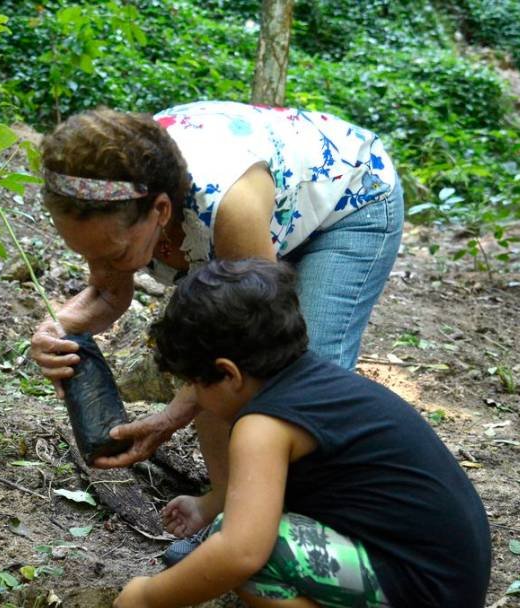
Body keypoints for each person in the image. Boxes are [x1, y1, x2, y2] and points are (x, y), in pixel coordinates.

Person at [111, 258, 491, 608]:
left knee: (242, 547)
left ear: (228, 374)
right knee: (255, 526)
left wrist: (150, 598)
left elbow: (241, 552)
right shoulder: (313, 383)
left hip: (425, 596)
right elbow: (304, 492)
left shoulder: (263, 426)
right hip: (445, 579)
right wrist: (211, 503)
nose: (195, 398)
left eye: (196, 385)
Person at [31, 101, 404, 472]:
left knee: (302, 383)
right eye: (87, 254)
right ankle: (227, 505)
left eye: (112, 254)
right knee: (210, 360)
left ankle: (308, 512)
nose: (100, 268)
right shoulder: (115, 202)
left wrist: (173, 414)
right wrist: (62, 329)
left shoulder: (228, 208)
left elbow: (253, 341)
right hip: (269, 205)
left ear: (160, 211)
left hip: (348, 195)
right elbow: (108, 294)